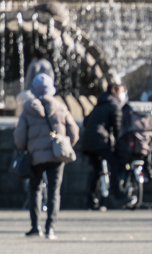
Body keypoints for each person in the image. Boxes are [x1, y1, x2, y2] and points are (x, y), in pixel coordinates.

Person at [14, 73, 79, 240]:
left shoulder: (28, 109)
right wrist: (66, 145)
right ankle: (50, 228)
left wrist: (25, 148)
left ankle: (35, 227)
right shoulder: (61, 107)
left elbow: (20, 137)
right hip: (56, 156)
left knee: (35, 189)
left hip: (35, 156)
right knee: (54, 191)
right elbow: (74, 131)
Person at [81, 82, 124, 210]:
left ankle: (91, 200)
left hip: (88, 141)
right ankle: (118, 194)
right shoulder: (113, 104)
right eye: (122, 91)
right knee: (115, 164)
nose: (123, 94)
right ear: (116, 91)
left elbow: (86, 121)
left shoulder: (100, 103)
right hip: (99, 140)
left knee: (97, 171)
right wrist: (118, 143)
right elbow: (117, 127)